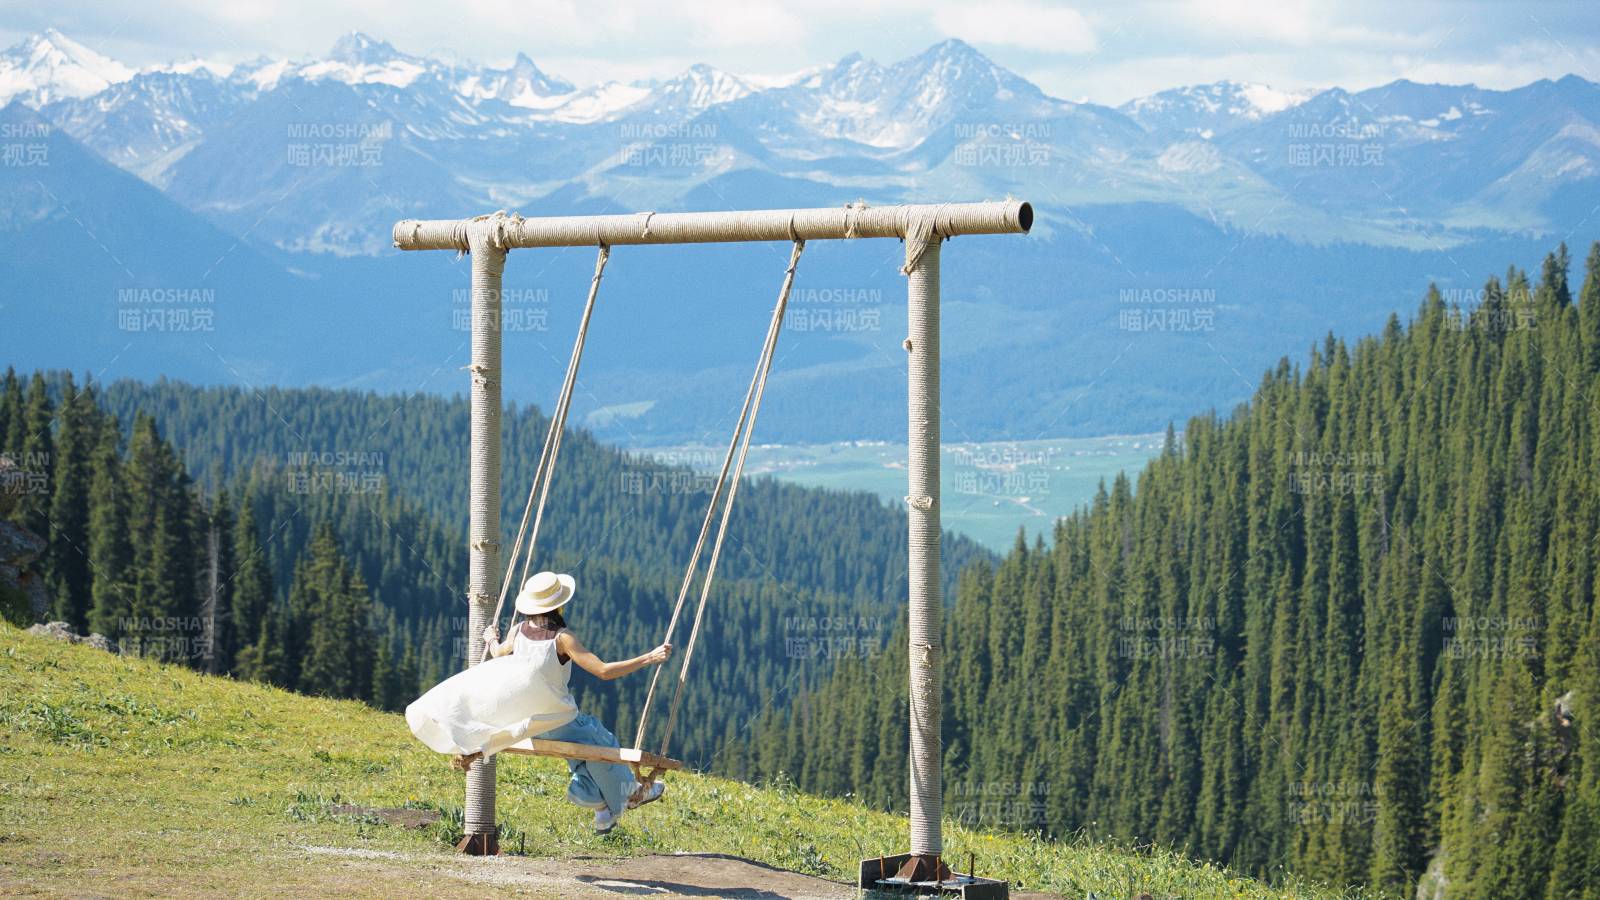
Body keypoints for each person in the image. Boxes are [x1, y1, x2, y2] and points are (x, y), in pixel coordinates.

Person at [406, 570, 672, 833]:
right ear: (559, 605)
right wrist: (649, 657)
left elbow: (499, 653)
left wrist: (491, 638)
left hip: (529, 722)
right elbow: (602, 671)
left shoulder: (518, 631)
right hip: (558, 717)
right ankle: (630, 794)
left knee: (584, 751)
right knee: (600, 741)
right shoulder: (562, 638)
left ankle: (599, 806)